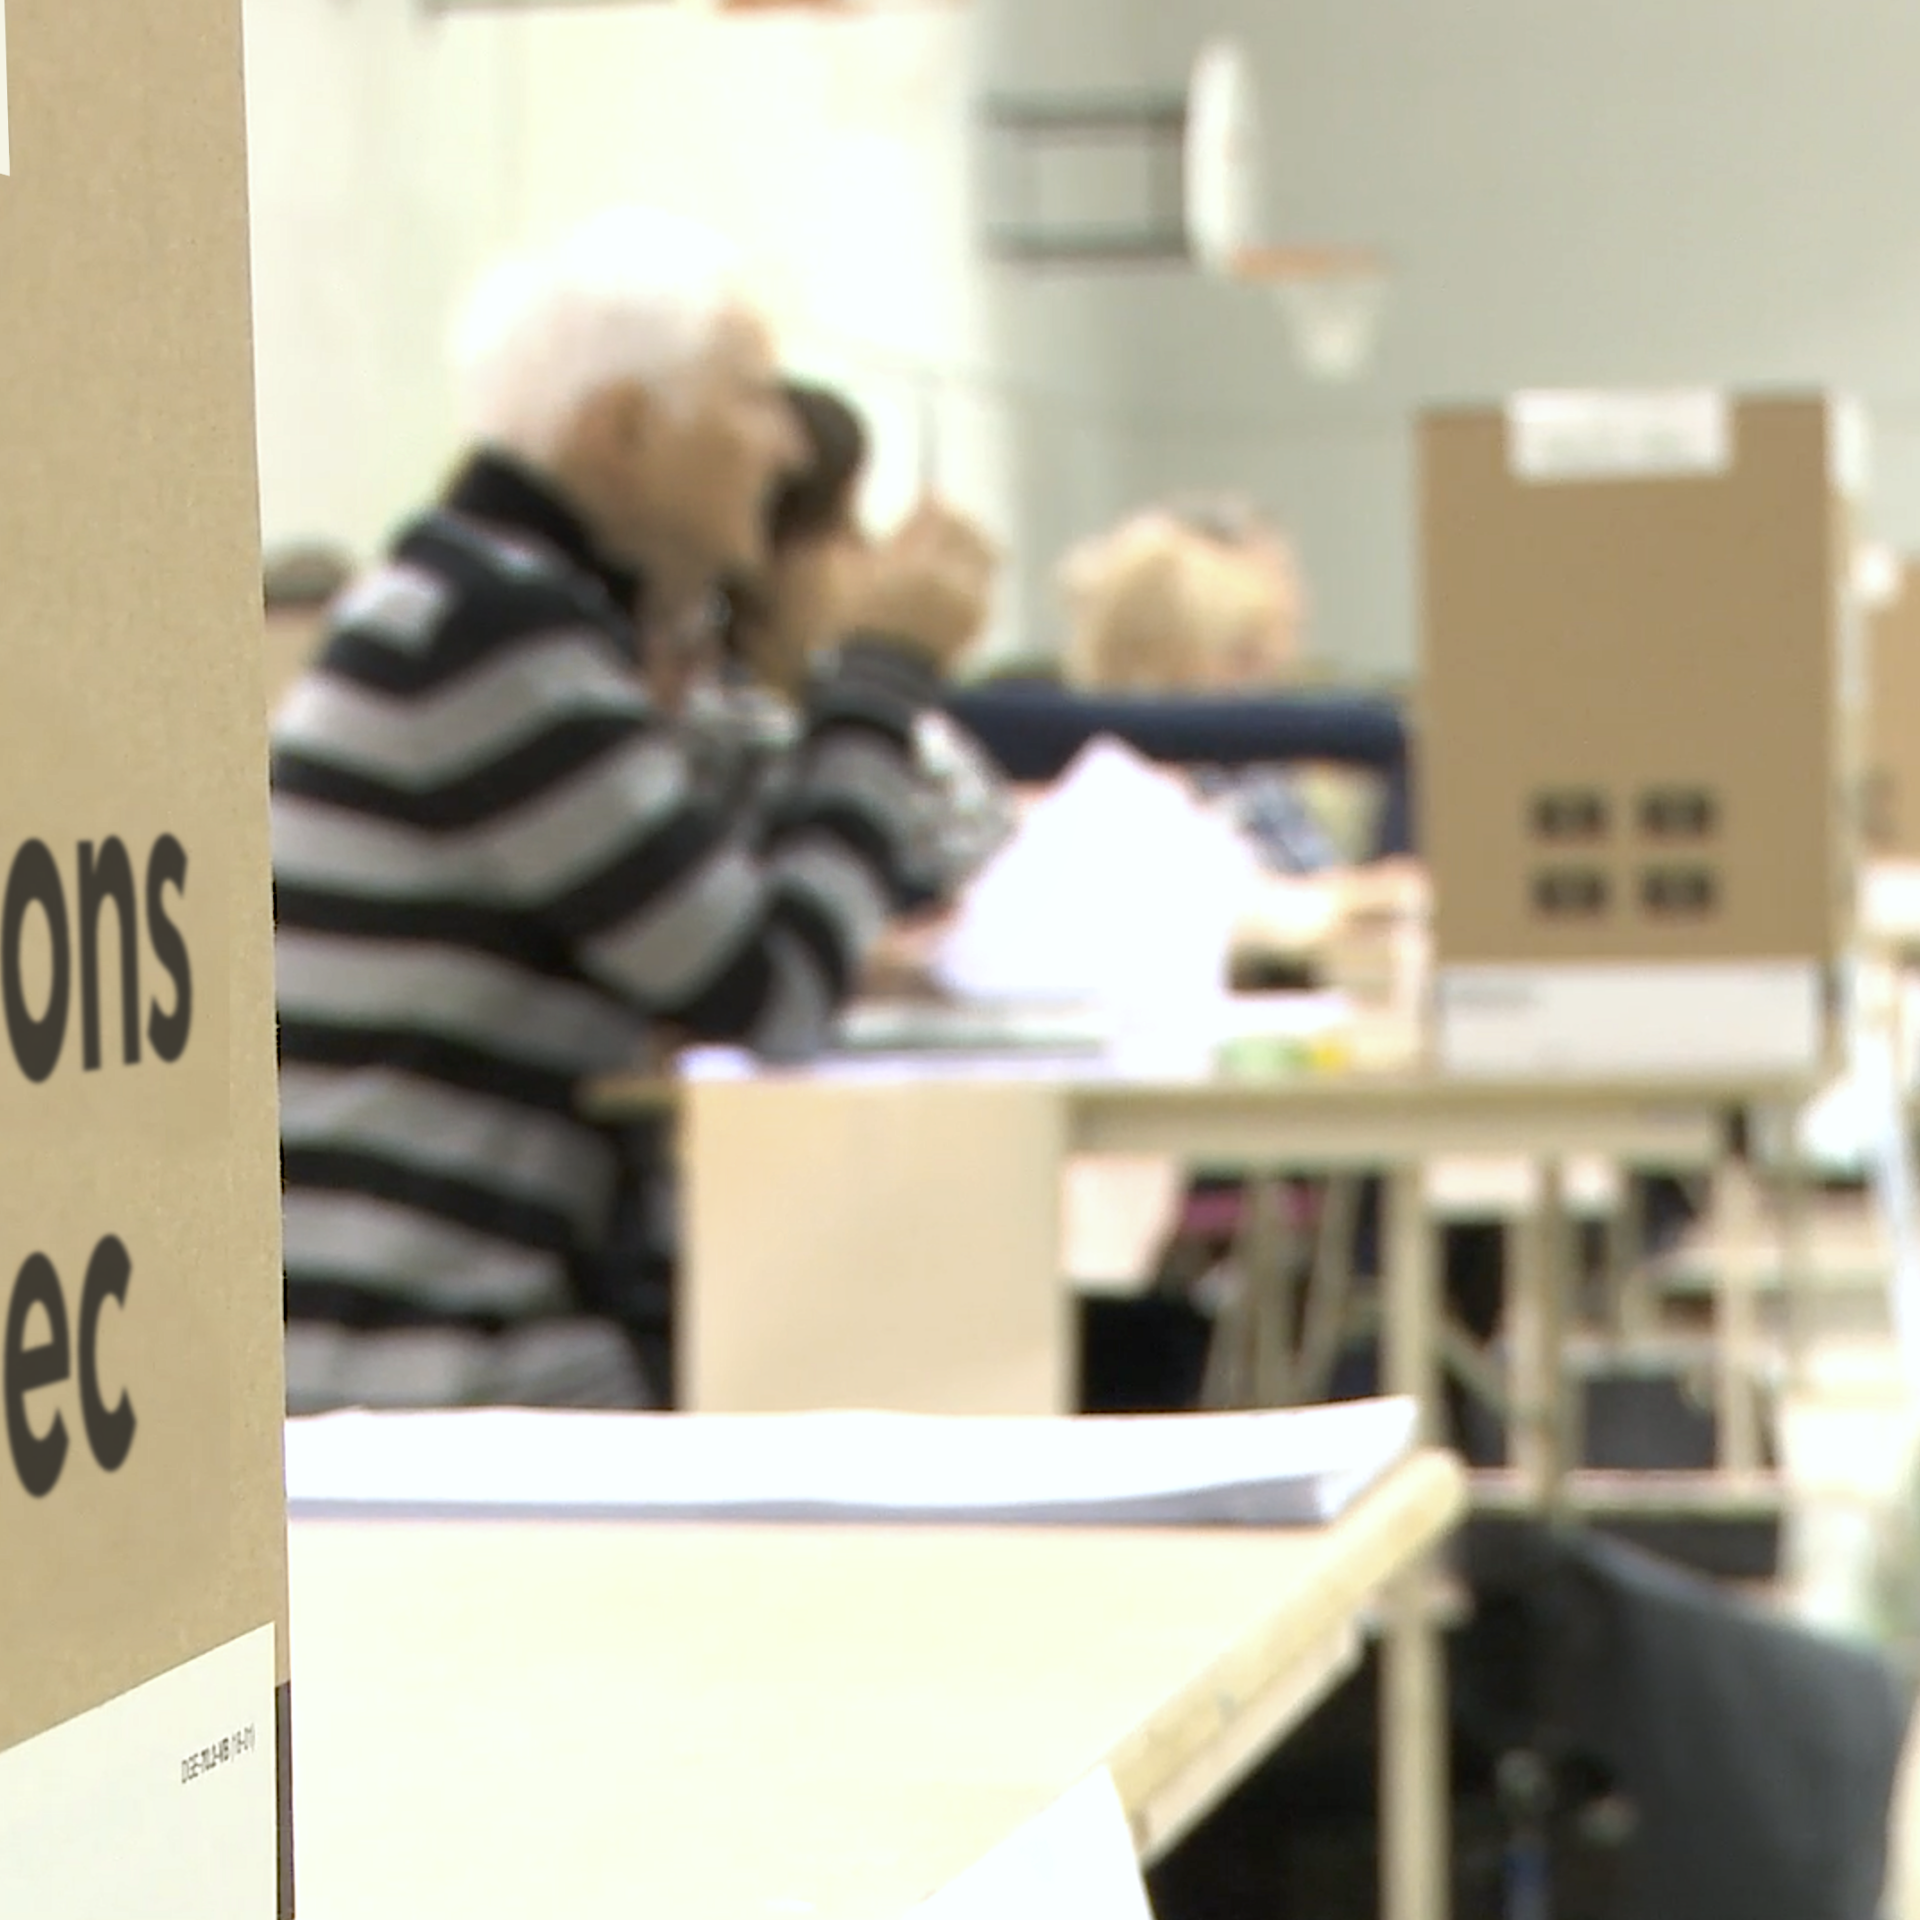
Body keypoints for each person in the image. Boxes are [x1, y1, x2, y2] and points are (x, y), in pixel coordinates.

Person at [270, 207, 993, 1412]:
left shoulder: (496, 613)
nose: (781, 446)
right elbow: (770, 991)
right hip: (425, 1357)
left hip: (456, 1318)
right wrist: (880, 677)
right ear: (624, 432)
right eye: (753, 400)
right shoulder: (491, 638)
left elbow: (721, 933)